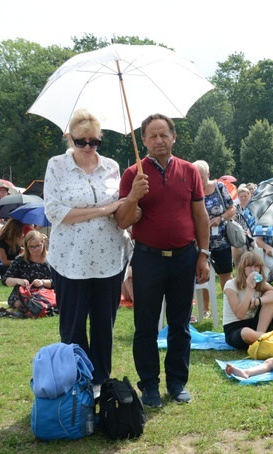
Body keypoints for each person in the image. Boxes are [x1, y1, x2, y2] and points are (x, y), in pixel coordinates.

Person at [116, 113, 210, 408]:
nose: (158, 140)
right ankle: (150, 385)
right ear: (143, 140)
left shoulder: (189, 171)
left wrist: (203, 255)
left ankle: (177, 381)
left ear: (174, 137)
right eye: (152, 136)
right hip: (148, 259)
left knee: (180, 324)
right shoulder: (133, 174)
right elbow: (122, 221)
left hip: (185, 257)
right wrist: (133, 197)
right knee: (145, 325)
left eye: (163, 135)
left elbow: (199, 215)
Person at [44, 109, 133, 390]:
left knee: (104, 326)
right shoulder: (57, 165)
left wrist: (131, 200)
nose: (87, 147)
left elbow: (122, 206)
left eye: (94, 142)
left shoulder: (112, 166)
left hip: (109, 258)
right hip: (70, 261)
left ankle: (101, 383)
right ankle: (77, 382)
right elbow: (55, 212)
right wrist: (104, 209)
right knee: (72, 327)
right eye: (81, 141)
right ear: (69, 138)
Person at [193, 159, 236, 320]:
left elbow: (232, 209)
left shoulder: (219, 187)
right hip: (200, 242)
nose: (199, 180)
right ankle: (205, 309)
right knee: (203, 275)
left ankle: (230, 306)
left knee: (225, 274)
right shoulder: (192, 190)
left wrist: (220, 218)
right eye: (196, 176)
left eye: (201, 176)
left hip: (221, 240)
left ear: (208, 174)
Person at [223, 250, 273, 349]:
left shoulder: (261, 283)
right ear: (242, 268)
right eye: (249, 266)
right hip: (235, 328)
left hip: (255, 325)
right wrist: (249, 289)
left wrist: (258, 301)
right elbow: (239, 315)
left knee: (270, 295)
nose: (253, 270)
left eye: (256, 266)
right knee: (246, 333)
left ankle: (262, 338)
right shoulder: (231, 285)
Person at [2, 231, 52, 311]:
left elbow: (59, 282)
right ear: (26, 247)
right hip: (25, 293)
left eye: (38, 246)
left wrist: (43, 282)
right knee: (20, 303)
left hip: (47, 292)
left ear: (43, 243)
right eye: (31, 247)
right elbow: (6, 280)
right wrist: (19, 281)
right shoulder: (20, 260)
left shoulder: (51, 259)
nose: (35, 249)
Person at [231, 185, 253, 269]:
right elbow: (232, 223)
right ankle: (239, 268)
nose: (243, 198)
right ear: (238, 197)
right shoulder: (235, 208)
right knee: (237, 247)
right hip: (239, 233)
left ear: (249, 195)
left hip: (252, 233)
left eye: (245, 196)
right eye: (241, 196)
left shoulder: (253, 208)